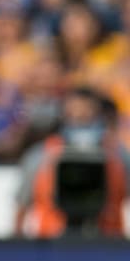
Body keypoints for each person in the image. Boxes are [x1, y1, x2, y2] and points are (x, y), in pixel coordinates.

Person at [15, 85, 128, 238]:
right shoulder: (41, 156)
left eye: (87, 113)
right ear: (63, 115)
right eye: (73, 113)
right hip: (52, 246)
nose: (80, 117)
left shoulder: (118, 156)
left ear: (99, 115)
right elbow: (22, 206)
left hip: (106, 246)